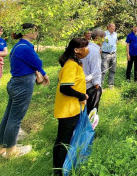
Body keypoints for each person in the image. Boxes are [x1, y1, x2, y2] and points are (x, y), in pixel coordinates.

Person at [0, 23, 50, 158]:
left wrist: (43, 73)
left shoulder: (19, 46)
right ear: (27, 32)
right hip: (23, 85)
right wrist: (42, 71)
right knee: (15, 119)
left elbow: (33, 64)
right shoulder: (25, 48)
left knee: (9, 116)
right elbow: (37, 63)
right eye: (35, 31)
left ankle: (1, 147)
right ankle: (11, 151)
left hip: (15, 83)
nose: (36, 33)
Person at [53, 38, 89, 175]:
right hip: (68, 109)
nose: (87, 50)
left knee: (62, 139)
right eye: (85, 47)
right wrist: (82, 96)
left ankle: (57, 168)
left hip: (70, 108)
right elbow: (65, 88)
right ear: (76, 50)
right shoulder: (71, 65)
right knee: (64, 141)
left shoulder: (74, 64)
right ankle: (60, 171)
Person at [81, 29, 105, 114]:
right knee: (91, 114)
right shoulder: (95, 51)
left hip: (82, 85)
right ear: (98, 38)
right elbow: (96, 71)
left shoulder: (86, 47)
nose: (104, 41)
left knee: (84, 112)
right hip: (91, 88)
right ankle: (89, 127)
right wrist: (97, 86)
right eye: (103, 38)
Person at [101, 23, 117, 87]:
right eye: (113, 27)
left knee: (113, 70)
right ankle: (100, 85)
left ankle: (110, 84)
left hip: (113, 54)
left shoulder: (115, 34)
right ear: (109, 27)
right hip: (105, 54)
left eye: (114, 27)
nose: (114, 28)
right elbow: (100, 42)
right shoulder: (104, 34)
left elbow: (115, 42)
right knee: (104, 70)